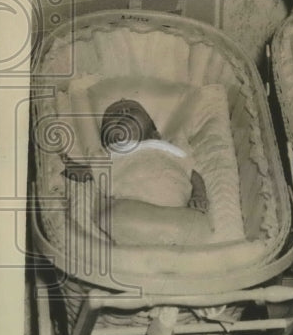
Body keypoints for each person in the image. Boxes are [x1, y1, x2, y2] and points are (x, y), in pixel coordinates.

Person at [64, 98, 211, 244]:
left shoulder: (169, 149)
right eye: (112, 117)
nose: (123, 112)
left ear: (155, 134)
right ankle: (158, 239)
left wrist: (199, 195)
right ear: (106, 142)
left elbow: (193, 174)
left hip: (176, 212)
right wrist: (64, 161)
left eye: (132, 110)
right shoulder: (110, 156)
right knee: (112, 217)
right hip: (133, 209)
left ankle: (152, 238)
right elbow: (84, 173)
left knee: (199, 222)